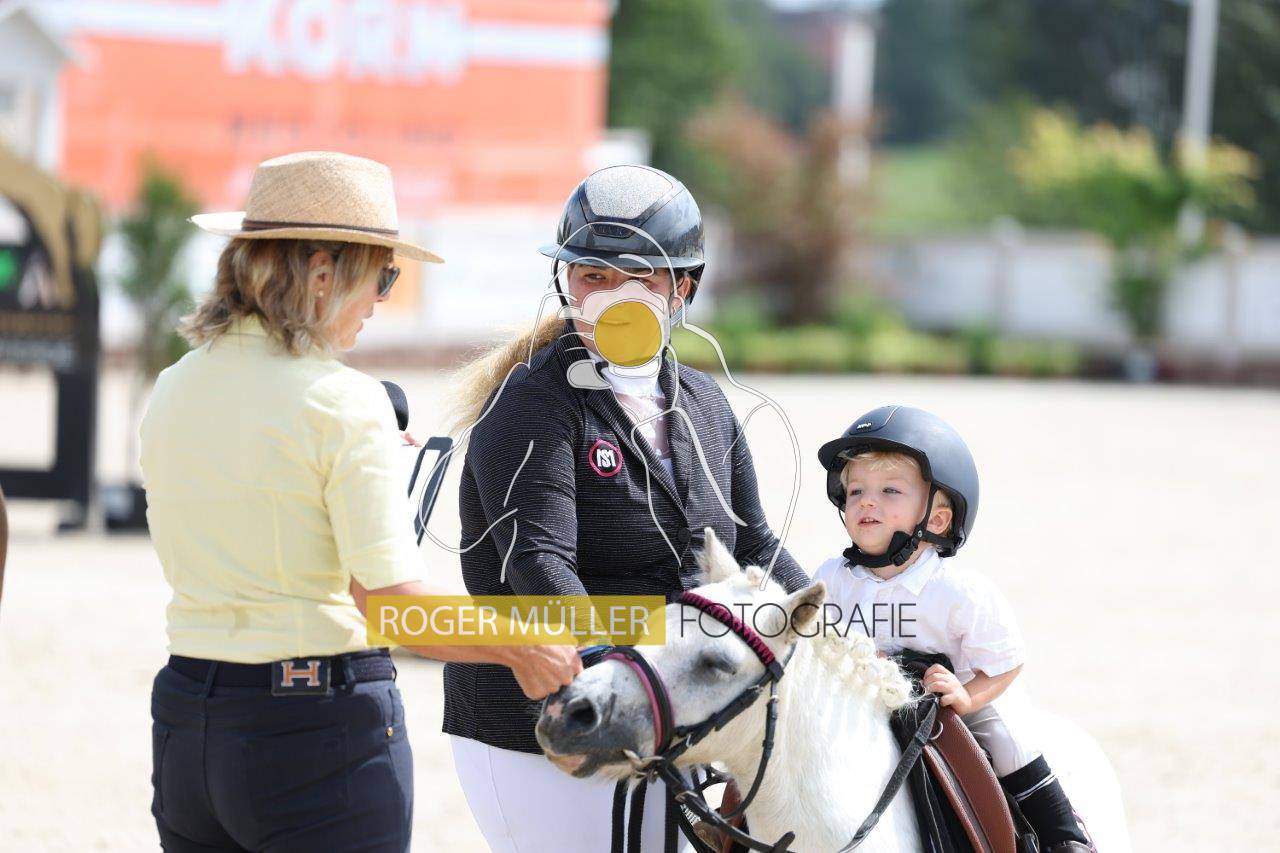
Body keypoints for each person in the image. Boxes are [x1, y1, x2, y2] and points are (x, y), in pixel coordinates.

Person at [141, 151, 580, 853]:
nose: (381, 299)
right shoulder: (344, 403)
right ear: (322, 273)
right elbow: (391, 607)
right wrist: (523, 644)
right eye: (382, 275)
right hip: (311, 729)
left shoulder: (175, 385)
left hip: (187, 720)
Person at [443, 164, 810, 852]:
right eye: (593, 276)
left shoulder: (704, 400)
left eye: (639, 276)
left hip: (665, 709)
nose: (614, 295)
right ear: (566, 282)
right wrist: (622, 677)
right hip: (551, 718)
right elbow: (539, 561)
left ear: (682, 288)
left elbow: (755, 544)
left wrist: (836, 632)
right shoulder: (531, 399)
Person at [813, 405, 1094, 852]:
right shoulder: (832, 577)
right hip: (863, 698)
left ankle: (1064, 837)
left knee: (1007, 739)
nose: (866, 501)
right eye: (856, 490)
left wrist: (967, 697)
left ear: (937, 520)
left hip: (951, 701)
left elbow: (1005, 662)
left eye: (890, 490)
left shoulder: (959, 590)